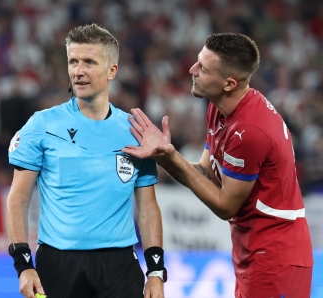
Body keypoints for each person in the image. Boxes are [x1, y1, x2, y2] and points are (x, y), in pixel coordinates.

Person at [123, 33, 313, 298]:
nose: (191, 70)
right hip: (251, 252)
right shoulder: (220, 108)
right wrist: (162, 157)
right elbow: (206, 173)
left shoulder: (249, 131)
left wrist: (170, 157)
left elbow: (225, 205)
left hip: (276, 258)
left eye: (202, 68)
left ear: (229, 83)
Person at [6, 24, 165, 298]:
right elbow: (18, 198)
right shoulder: (41, 125)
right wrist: (23, 264)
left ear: (112, 70)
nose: (78, 71)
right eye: (73, 62)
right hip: (57, 265)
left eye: (89, 62)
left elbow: (148, 205)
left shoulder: (136, 131)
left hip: (120, 267)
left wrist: (155, 272)